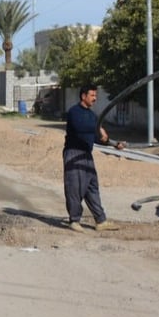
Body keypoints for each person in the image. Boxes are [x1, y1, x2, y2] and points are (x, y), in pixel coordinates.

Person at [63, 85, 126, 233]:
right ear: (83, 96)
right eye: (92, 95)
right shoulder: (74, 112)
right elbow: (80, 127)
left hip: (86, 154)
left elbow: (97, 137)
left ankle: (100, 220)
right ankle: (74, 220)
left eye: (95, 95)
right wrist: (97, 129)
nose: (95, 98)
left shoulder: (92, 115)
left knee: (92, 187)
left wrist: (113, 143)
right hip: (74, 154)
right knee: (75, 187)